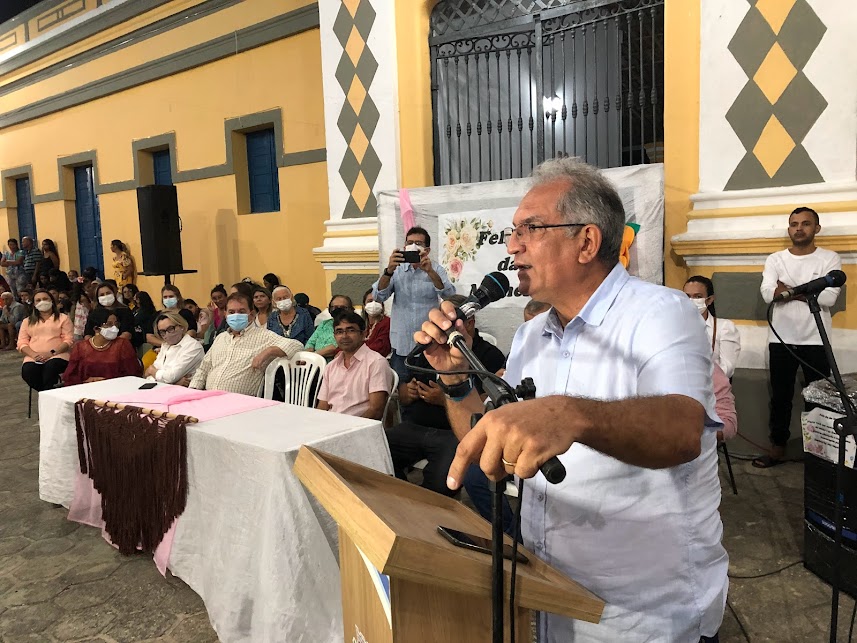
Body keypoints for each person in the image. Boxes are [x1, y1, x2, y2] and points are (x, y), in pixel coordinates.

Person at [415, 158, 726, 642]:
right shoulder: (530, 335)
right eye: (513, 231)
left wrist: (571, 414)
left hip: (644, 614)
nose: (512, 245)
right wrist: (455, 381)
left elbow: (684, 430)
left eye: (531, 228)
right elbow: (491, 438)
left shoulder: (661, 312)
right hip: (551, 596)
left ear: (587, 242)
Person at [387, 294, 505, 496]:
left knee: (441, 484)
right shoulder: (431, 349)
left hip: (453, 435)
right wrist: (408, 392)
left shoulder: (490, 355)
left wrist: (445, 399)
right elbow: (404, 398)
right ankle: (402, 501)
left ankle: (428, 511)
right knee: (375, 454)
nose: (444, 329)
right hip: (414, 428)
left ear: (470, 322)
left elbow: (489, 405)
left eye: (451, 324)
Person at [756, 206, 843, 468]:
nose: (799, 229)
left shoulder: (829, 258)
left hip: (816, 340)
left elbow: (829, 298)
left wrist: (789, 291)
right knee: (780, 397)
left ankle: (818, 456)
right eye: (794, 224)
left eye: (805, 224)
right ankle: (777, 449)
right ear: (789, 229)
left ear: (816, 228)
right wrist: (811, 290)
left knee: (817, 398)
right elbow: (768, 293)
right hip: (781, 339)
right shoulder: (776, 259)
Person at [373, 226, 455, 382]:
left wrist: (430, 272)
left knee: (428, 390)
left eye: (418, 243)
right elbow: (379, 296)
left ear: (427, 250)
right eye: (409, 243)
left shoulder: (436, 269)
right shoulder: (396, 270)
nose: (413, 246)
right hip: (401, 346)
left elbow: (449, 295)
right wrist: (389, 270)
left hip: (429, 346)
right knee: (403, 391)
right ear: (404, 247)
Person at [188, 292, 302, 396]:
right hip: (209, 398)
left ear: (251, 314)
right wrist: (192, 393)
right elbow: (203, 369)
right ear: (225, 314)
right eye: (231, 312)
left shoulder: (263, 336)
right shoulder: (221, 338)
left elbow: (297, 346)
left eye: (241, 312)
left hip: (241, 404)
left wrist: (268, 351)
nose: (236, 315)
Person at [316, 311, 392, 419]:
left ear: (363, 334)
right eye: (339, 331)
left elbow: (376, 410)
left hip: (360, 425)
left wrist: (352, 427)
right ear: (334, 336)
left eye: (351, 330)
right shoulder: (331, 367)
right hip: (331, 423)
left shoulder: (376, 362)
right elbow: (322, 406)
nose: (344, 336)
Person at [683, 276, 741, 379]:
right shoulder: (675, 326)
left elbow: (727, 368)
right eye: (687, 296)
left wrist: (699, 378)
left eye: (698, 296)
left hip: (710, 384)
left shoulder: (724, 328)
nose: (691, 300)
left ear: (709, 300)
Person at [63, 312, 141, 385]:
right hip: (86, 389)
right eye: (109, 324)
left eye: (116, 324)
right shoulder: (80, 347)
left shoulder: (123, 344)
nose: (114, 328)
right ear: (96, 328)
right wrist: (87, 381)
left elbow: (134, 374)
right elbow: (70, 377)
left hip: (116, 388)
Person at [17, 289, 73, 391]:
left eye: (45, 299)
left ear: (51, 301)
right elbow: (22, 342)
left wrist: (51, 353)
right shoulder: (27, 321)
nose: (42, 302)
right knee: (28, 371)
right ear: (34, 304)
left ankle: (47, 394)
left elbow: (68, 340)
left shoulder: (63, 318)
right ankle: (46, 393)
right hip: (33, 356)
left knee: (50, 368)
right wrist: (34, 355)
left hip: (58, 355)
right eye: (38, 300)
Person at [144, 312, 205, 384]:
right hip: (163, 388)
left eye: (170, 329)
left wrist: (152, 371)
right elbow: (148, 375)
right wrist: (174, 383)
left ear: (181, 327)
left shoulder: (193, 347)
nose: (167, 334)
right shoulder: (165, 345)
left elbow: (170, 377)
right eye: (162, 332)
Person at [305, 295, 353, 361]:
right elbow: (310, 343)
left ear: (350, 309)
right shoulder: (324, 324)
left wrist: (314, 355)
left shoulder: (351, 326)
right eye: (335, 307)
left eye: (343, 307)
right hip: (314, 362)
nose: (338, 309)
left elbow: (334, 348)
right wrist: (308, 356)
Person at [362, 288, 390, 356]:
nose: (373, 304)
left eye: (377, 301)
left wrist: (356, 352)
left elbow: (380, 347)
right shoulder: (362, 325)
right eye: (370, 301)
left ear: (382, 305)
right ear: (364, 306)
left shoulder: (387, 323)